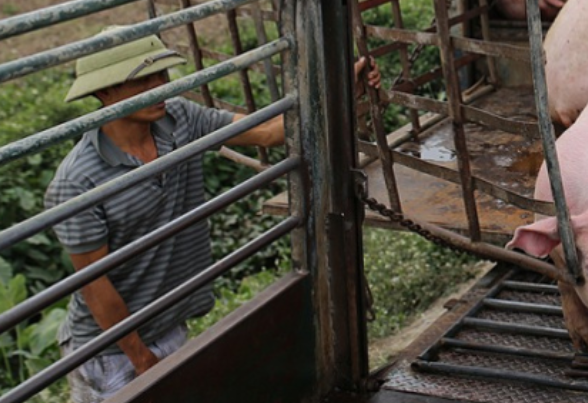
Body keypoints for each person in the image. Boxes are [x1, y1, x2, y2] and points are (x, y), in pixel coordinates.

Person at [46, 28, 378, 402]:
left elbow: (268, 131)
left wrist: (341, 89)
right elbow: (94, 284)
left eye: (162, 74)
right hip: (112, 351)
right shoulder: (77, 180)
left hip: (168, 324)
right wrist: (139, 358)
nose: (160, 87)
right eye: (143, 79)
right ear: (105, 93)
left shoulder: (180, 120)